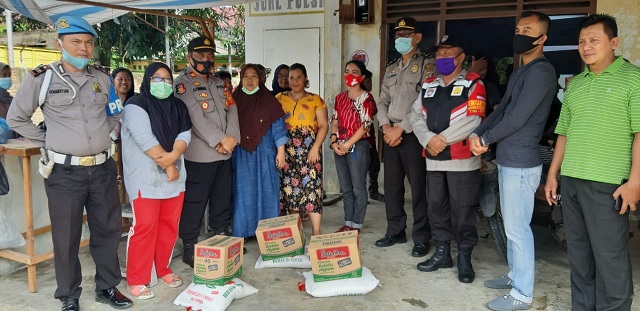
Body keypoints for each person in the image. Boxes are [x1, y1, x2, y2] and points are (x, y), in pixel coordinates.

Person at [6, 16, 133, 311]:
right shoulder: (42, 78)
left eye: (88, 42)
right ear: (59, 43)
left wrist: (108, 132)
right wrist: (46, 140)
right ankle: (69, 295)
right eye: (76, 41)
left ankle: (108, 287)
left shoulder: (103, 77)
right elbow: (16, 118)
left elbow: (115, 112)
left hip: (102, 168)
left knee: (108, 230)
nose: (83, 48)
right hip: (65, 173)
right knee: (66, 237)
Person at [544, 14, 639, 311]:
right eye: (582, 41)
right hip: (571, 181)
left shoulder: (634, 79)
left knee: (610, 258)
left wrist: (635, 182)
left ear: (613, 43)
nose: (586, 46)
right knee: (580, 255)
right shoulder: (575, 85)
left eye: (594, 40)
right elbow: (563, 133)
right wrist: (553, 175)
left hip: (608, 185)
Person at [469, 11, 556, 311]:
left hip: (521, 161)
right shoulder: (521, 71)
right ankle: (515, 274)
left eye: (528, 29)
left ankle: (522, 294)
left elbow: (517, 118)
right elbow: (501, 109)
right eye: (518, 28)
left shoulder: (542, 72)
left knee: (519, 229)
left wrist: (485, 140)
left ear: (542, 37)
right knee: (512, 225)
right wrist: (478, 132)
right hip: (509, 158)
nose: (520, 33)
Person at [411, 35, 486, 283]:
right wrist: (428, 140)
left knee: (463, 211)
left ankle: (465, 257)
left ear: (461, 57)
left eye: (448, 53)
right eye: (439, 54)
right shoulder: (429, 85)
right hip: (433, 159)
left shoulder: (474, 83)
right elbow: (415, 117)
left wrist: (440, 139)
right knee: (436, 208)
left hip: (462, 160)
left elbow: (474, 119)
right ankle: (443, 254)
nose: (442, 58)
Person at [121, 62, 191, 299]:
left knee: (169, 227)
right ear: (147, 80)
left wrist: (173, 157)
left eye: (167, 79)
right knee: (144, 227)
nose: (163, 83)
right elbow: (145, 138)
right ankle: (138, 278)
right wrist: (169, 165)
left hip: (174, 178)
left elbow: (185, 134)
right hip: (146, 179)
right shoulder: (135, 105)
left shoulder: (178, 106)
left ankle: (162, 268)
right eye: (157, 78)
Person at [174, 36, 240, 268]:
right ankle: (190, 246)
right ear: (189, 57)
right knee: (195, 202)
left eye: (209, 56)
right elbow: (195, 117)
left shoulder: (219, 82)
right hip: (200, 155)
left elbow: (232, 110)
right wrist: (220, 140)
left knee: (222, 199)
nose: (205, 60)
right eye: (200, 56)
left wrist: (232, 140)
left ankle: (221, 238)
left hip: (225, 153)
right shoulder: (183, 84)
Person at [375, 17, 435, 258]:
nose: (400, 39)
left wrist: (401, 129)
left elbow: (424, 100)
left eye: (406, 34)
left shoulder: (426, 64)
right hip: (390, 135)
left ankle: (421, 237)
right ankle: (395, 230)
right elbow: (382, 101)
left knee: (419, 189)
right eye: (398, 35)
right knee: (391, 187)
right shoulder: (391, 67)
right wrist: (386, 127)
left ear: (417, 37)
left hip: (412, 136)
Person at [232, 63, 288, 238]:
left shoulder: (269, 100)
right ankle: (244, 231)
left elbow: (278, 127)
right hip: (241, 154)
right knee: (243, 191)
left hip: (265, 152)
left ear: (260, 79)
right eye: (246, 77)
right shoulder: (234, 100)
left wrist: (281, 151)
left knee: (267, 188)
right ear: (241, 79)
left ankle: (268, 233)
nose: (250, 80)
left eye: (254, 76)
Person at [276, 63, 328, 235]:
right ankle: (295, 234)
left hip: (310, 151)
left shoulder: (316, 100)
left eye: (299, 77)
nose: (295, 81)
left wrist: (315, 148)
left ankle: (316, 232)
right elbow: (274, 127)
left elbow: (323, 126)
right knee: (291, 191)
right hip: (286, 151)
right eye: (292, 78)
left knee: (313, 189)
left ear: (305, 79)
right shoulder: (279, 98)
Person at [330, 60, 377, 232]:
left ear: (362, 76)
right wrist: (333, 141)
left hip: (358, 146)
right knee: (346, 188)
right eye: (347, 71)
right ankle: (347, 222)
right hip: (339, 146)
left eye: (354, 72)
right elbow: (335, 121)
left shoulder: (367, 98)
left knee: (358, 188)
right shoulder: (340, 98)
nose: (350, 75)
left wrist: (348, 144)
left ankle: (356, 224)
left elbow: (365, 126)